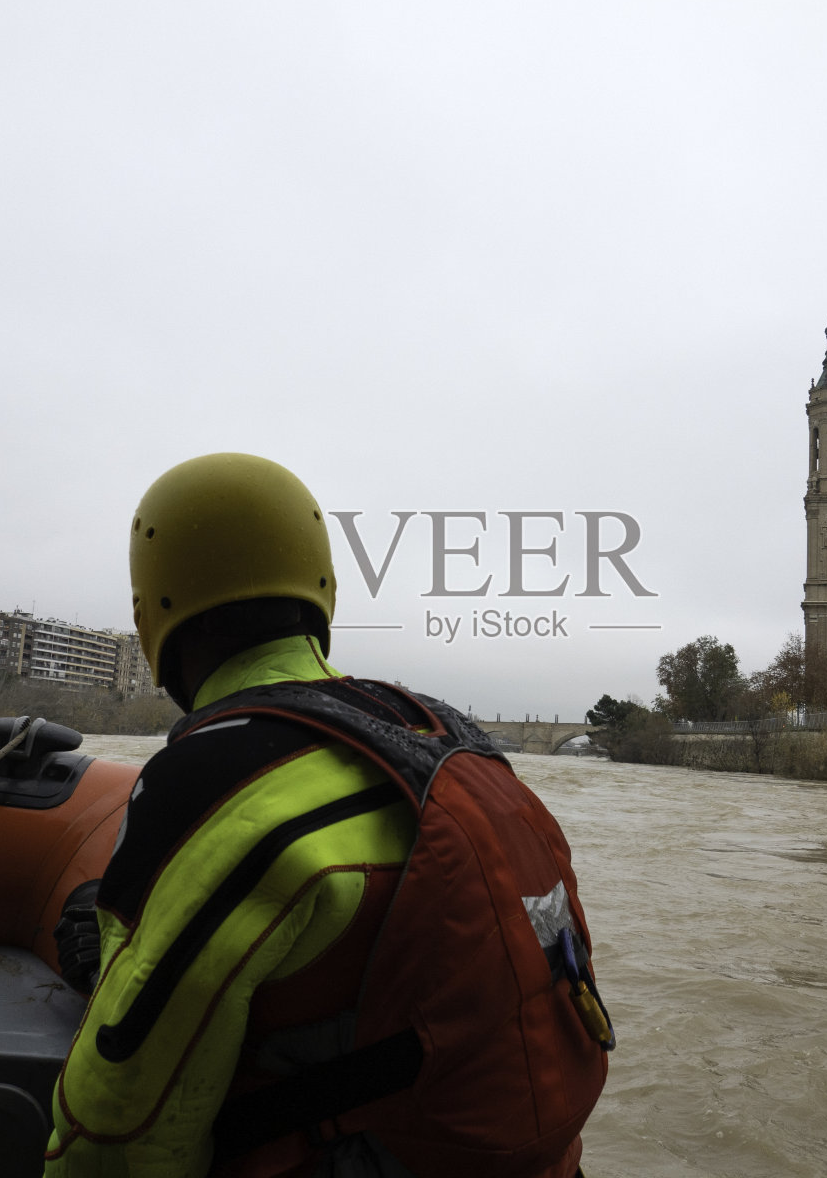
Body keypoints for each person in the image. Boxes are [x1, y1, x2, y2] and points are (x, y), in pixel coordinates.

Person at [44, 454, 610, 1178]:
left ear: (154, 608)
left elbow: (117, 1126)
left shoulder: (211, 781)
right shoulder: (451, 736)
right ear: (321, 589)